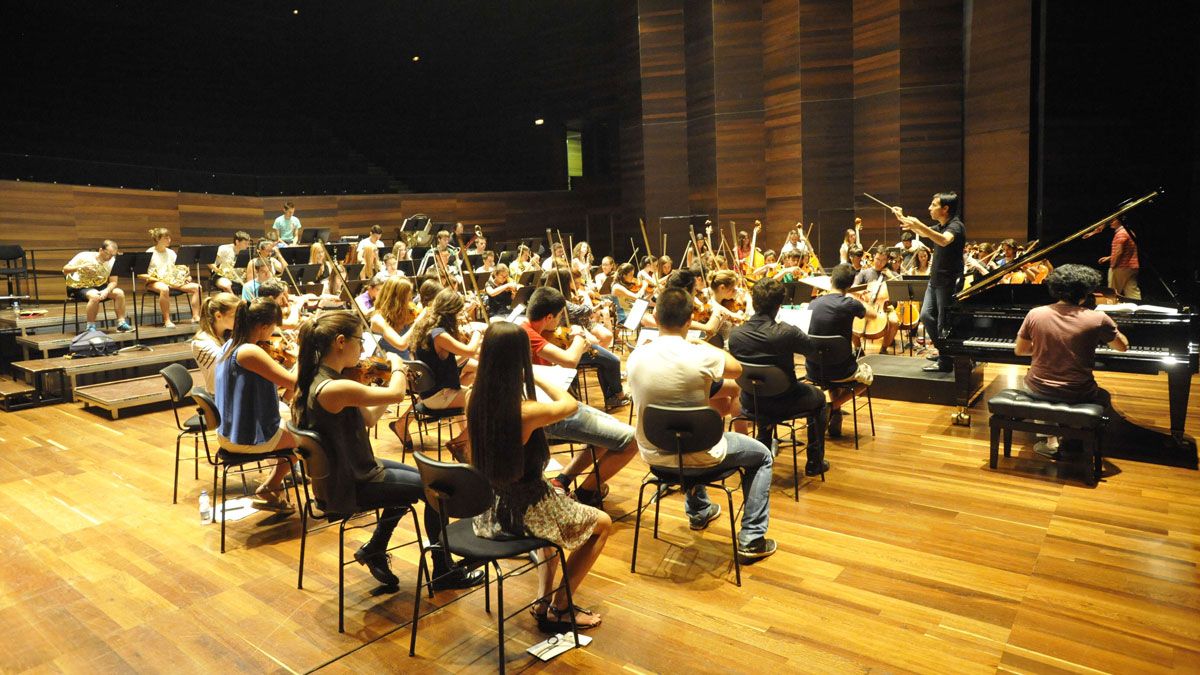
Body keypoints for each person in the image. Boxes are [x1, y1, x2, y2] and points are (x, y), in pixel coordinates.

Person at [291, 311, 484, 590]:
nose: (363, 348)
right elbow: (395, 394)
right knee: (436, 489)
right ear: (341, 342)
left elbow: (369, 418)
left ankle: (375, 548)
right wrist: (395, 365)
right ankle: (443, 572)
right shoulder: (334, 387)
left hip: (356, 468)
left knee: (422, 477)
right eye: (360, 340)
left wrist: (373, 384)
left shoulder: (324, 378)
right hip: (352, 483)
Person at [468, 322, 611, 631]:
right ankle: (561, 607)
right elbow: (569, 404)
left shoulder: (473, 398)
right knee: (603, 524)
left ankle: (543, 600)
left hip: (491, 507)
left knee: (555, 520)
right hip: (524, 510)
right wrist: (538, 377)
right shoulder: (523, 411)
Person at [627, 286, 777, 562]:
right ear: (689, 321)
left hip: (654, 455)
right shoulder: (701, 354)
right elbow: (737, 369)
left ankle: (699, 510)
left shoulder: (635, 356)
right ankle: (752, 538)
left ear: (656, 317)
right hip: (702, 456)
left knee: (690, 427)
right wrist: (705, 344)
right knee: (763, 456)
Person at [520, 287, 638, 507]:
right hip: (548, 412)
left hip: (554, 404)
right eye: (557, 318)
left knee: (606, 431)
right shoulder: (526, 333)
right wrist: (577, 337)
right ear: (548, 317)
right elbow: (569, 360)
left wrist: (586, 338)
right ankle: (585, 494)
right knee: (632, 440)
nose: (558, 324)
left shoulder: (527, 328)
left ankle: (562, 480)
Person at [1014, 264, 1128, 458]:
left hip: (1038, 388)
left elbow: (1020, 350)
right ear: (1085, 293)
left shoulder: (1035, 313)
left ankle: (1051, 441)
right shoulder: (1098, 318)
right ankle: (1078, 435)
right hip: (1079, 391)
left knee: (1034, 382)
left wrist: (1047, 347)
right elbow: (1122, 346)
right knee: (1104, 396)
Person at [728, 278, 829, 474]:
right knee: (820, 399)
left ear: (754, 302)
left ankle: (763, 444)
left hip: (751, 401)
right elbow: (811, 351)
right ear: (779, 305)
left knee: (762, 388)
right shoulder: (786, 332)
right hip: (786, 401)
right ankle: (814, 463)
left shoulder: (735, 335)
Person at [213, 299, 298, 512]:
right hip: (243, 437)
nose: (272, 335)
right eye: (272, 329)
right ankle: (271, 486)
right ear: (262, 327)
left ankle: (272, 486)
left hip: (228, 432)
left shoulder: (230, 345)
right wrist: (304, 355)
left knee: (293, 425)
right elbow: (293, 383)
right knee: (308, 440)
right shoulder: (249, 352)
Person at [891, 191, 966, 372]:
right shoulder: (941, 225)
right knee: (925, 315)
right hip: (935, 280)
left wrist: (919, 225)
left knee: (943, 323)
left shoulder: (955, 226)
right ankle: (944, 352)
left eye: (933, 205)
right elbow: (920, 231)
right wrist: (901, 217)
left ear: (945, 209)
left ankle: (946, 361)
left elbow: (943, 240)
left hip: (948, 281)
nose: (929, 208)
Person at [807, 264, 874, 437]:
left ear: (831, 280)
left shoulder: (813, 304)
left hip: (814, 369)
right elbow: (873, 315)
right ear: (850, 285)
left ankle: (835, 415)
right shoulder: (850, 303)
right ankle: (832, 407)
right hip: (841, 369)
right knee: (867, 378)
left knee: (829, 365)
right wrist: (858, 298)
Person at [62, 239, 131, 332]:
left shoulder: (113, 261)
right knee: (95, 296)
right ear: (100, 250)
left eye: (113, 255)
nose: (110, 257)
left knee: (119, 293)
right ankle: (90, 326)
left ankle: (121, 323)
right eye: (108, 253)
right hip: (78, 286)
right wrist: (80, 267)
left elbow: (113, 282)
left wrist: (106, 290)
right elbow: (65, 270)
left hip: (99, 286)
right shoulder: (84, 256)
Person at [143, 228, 202, 328]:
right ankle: (167, 320)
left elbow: (179, 267)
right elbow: (144, 273)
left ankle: (195, 316)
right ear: (158, 239)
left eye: (169, 237)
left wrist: (187, 276)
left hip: (172, 281)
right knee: (164, 289)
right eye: (166, 238)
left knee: (198, 287)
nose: (169, 240)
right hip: (155, 282)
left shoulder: (171, 253)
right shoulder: (149, 253)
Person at [192, 293, 240, 393]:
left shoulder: (226, 334)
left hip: (232, 391)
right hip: (220, 397)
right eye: (235, 316)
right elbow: (228, 366)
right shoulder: (201, 342)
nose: (239, 319)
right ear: (218, 316)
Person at [1091, 215, 1141, 299]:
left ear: (1120, 221)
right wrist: (1109, 258)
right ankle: (1138, 309)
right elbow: (1126, 251)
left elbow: (1119, 252)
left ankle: (1111, 311)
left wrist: (1113, 265)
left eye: (1113, 220)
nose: (1110, 223)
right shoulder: (1129, 232)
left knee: (1112, 293)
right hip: (1132, 267)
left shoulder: (1120, 234)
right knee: (1132, 293)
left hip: (1120, 267)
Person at [370, 276, 417, 359]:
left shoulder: (406, 313)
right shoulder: (378, 319)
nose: (410, 301)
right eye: (407, 298)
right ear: (397, 300)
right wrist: (418, 323)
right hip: (388, 367)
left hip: (407, 364)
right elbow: (401, 344)